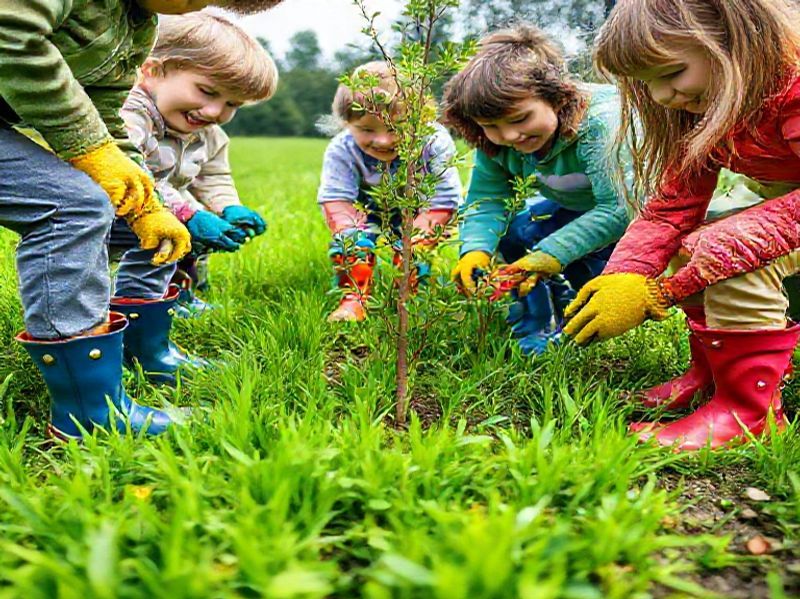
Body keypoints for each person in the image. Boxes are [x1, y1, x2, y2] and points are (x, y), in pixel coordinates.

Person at [0, 0, 283, 439]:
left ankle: (140, 351)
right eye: (209, 92)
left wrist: (153, 208)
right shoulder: (142, 95)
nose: (196, 6)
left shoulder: (136, 22)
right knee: (74, 205)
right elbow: (10, 32)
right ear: (157, 72)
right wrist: (173, 206)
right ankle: (89, 411)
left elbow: (103, 121)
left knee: (153, 227)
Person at [564, 0, 800, 450]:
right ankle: (713, 375)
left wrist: (663, 292)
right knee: (687, 242)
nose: (660, 96)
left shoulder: (793, 91)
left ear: (734, 39)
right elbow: (672, 209)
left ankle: (748, 413)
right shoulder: (710, 112)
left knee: (729, 254)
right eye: (647, 83)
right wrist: (625, 277)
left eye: (671, 74)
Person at [443, 25, 630, 355]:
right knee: (513, 233)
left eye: (520, 118)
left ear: (556, 96)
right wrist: (475, 249)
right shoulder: (494, 141)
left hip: (633, 218)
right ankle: (535, 323)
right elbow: (486, 199)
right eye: (492, 126)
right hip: (572, 209)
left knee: (595, 285)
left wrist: (551, 254)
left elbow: (618, 209)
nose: (510, 136)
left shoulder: (601, 124)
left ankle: (572, 307)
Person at [115, 11, 276, 383]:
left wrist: (227, 207)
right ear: (153, 71)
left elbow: (214, 175)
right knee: (169, 234)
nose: (216, 112)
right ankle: (142, 346)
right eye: (207, 91)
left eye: (232, 104)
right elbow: (132, 172)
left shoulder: (207, 129)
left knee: (195, 223)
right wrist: (186, 214)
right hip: (107, 207)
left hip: (158, 205)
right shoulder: (129, 112)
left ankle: (175, 296)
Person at [318, 61, 462, 322]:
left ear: (422, 119)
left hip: (423, 210)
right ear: (347, 124)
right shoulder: (342, 149)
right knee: (349, 244)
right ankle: (354, 298)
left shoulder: (434, 143)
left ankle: (409, 298)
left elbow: (444, 200)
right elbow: (337, 200)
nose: (383, 141)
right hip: (369, 210)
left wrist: (415, 238)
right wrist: (353, 234)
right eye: (366, 129)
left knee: (413, 253)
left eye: (397, 128)